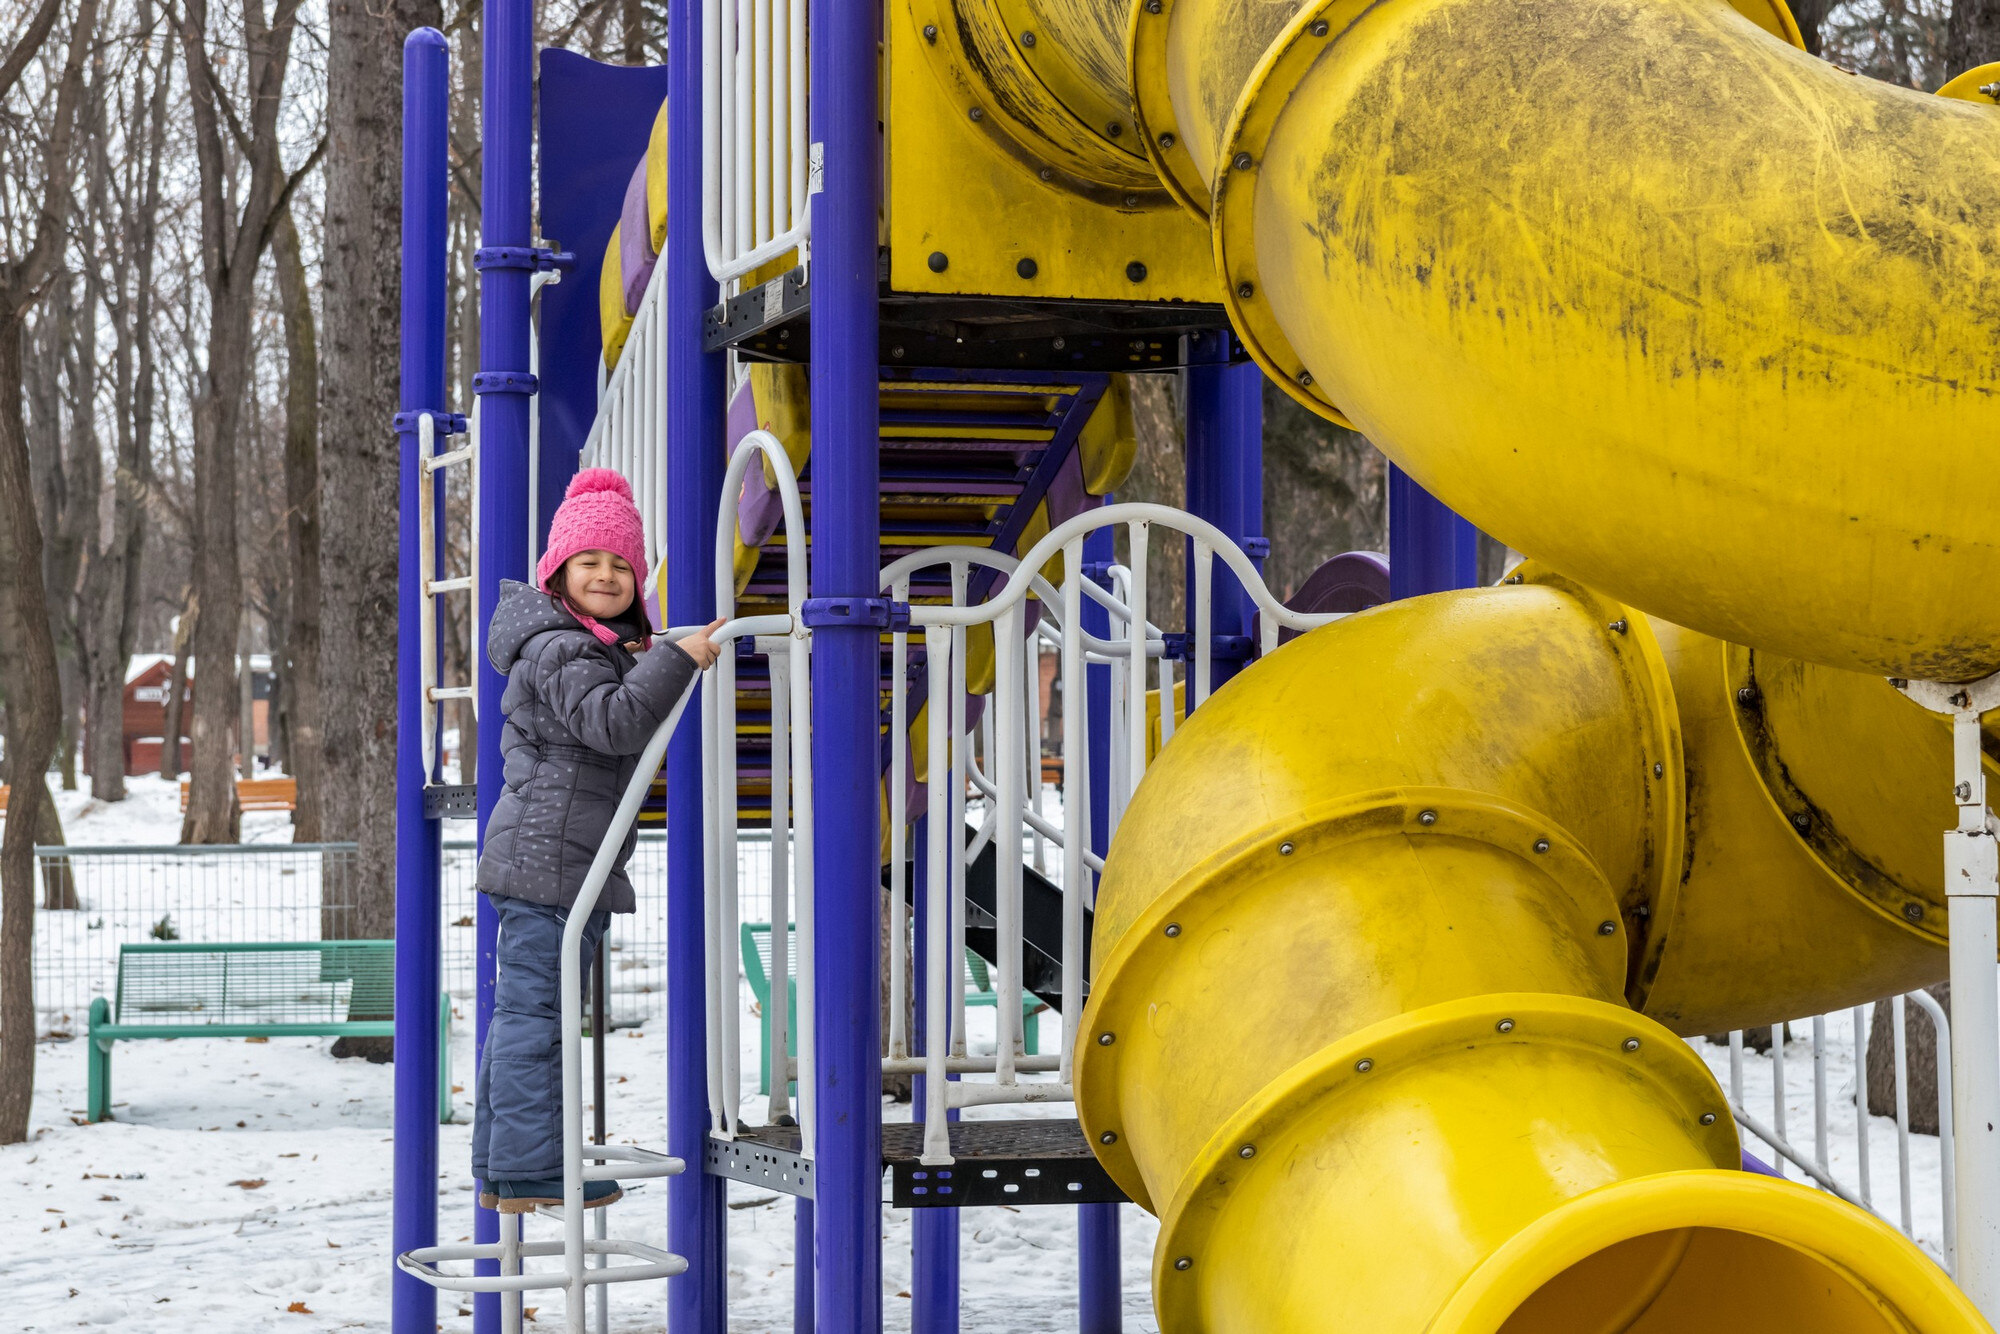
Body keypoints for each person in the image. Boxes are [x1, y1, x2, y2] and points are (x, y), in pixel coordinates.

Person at [471, 467, 723, 1212]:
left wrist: (653, 654)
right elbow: (612, 722)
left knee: (527, 1016)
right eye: (590, 562)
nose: (607, 575)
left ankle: (506, 1167)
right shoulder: (560, 648)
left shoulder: (581, 647)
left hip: (553, 859)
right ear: (558, 574)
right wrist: (675, 659)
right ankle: (530, 1170)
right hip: (549, 862)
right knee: (538, 1021)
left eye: (621, 565)